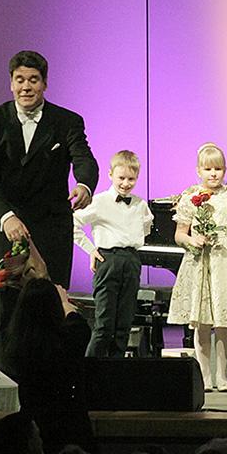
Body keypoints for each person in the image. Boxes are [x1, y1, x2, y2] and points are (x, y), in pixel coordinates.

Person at [0, 50, 98, 367]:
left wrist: (84, 184)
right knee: (5, 313)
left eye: (33, 80)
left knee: (52, 307)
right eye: (20, 80)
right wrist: (6, 216)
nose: (26, 86)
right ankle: (9, 382)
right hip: (4, 228)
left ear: (44, 83)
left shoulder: (66, 121)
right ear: (11, 83)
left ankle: (51, 382)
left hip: (50, 229)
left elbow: (84, 158)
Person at [167, 143, 227, 391]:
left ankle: (222, 376)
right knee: (203, 322)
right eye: (208, 169)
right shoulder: (190, 199)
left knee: (223, 322)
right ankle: (205, 376)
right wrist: (192, 240)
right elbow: (179, 234)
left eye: (218, 169)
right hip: (200, 264)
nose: (213, 173)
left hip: (226, 264)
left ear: (224, 170)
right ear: (199, 170)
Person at [73, 150, 154, 357]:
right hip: (108, 260)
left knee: (124, 325)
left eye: (131, 179)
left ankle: (116, 370)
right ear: (110, 174)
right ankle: (90, 370)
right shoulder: (99, 201)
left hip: (132, 260)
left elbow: (145, 228)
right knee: (104, 324)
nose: (126, 183)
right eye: (121, 178)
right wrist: (91, 249)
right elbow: (72, 223)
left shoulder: (140, 205)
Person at [4, 277, 96, 454]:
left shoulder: (19, 346)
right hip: (69, 425)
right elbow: (79, 326)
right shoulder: (66, 342)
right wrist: (65, 303)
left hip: (34, 425)